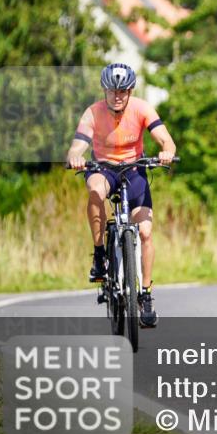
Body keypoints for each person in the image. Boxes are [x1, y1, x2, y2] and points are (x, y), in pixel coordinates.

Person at [66, 63, 176, 328]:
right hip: (103, 169)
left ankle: (146, 295)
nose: (118, 96)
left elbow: (166, 139)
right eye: (113, 90)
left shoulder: (142, 108)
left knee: (146, 231)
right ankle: (99, 253)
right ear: (105, 90)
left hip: (134, 171)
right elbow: (79, 143)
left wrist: (167, 151)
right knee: (94, 190)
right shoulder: (93, 112)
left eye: (123, 91)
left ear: (130, 91)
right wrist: (75, 156)